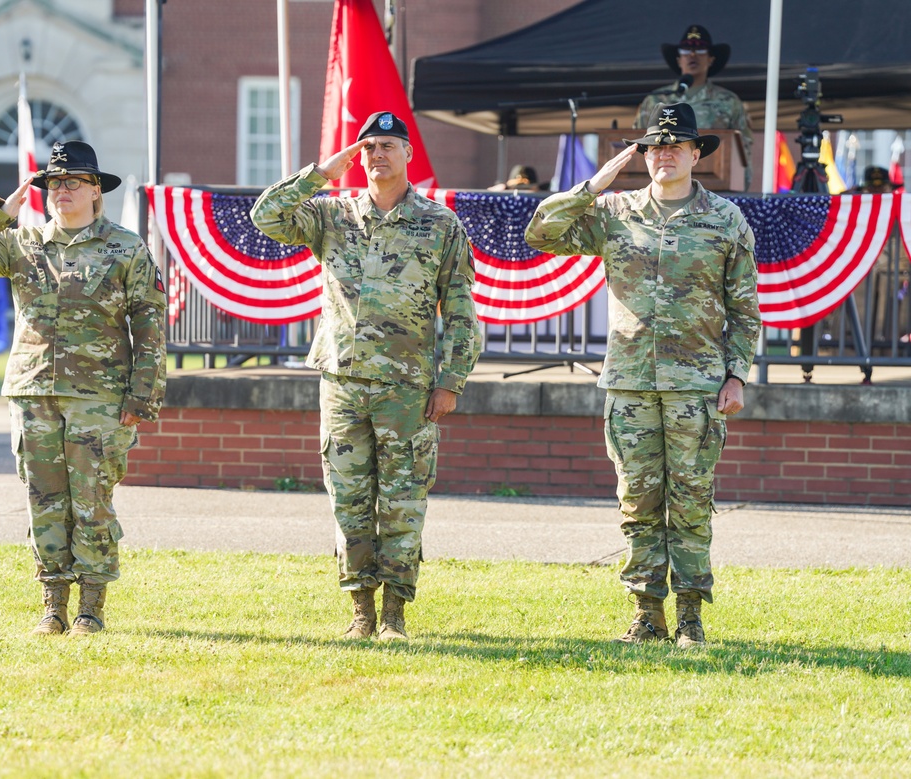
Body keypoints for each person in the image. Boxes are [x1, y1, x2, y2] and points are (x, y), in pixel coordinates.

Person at [525, 103, 761, 649]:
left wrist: (736, 377)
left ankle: (691, 616)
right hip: (629, 384)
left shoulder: (726, 220)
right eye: (656, 146)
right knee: (637, 501)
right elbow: (541, 233)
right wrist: (592, 185)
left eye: (677, 145)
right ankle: (647, 613)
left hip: (697, 387)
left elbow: (745, 310)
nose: (666, 154)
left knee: (691, 501)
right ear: (643, 154)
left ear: (697, 153)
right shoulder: (614, 212)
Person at [251, 111, 481, 641]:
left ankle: (396, 614)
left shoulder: (440, 224)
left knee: (402, 500)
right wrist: (321, 172)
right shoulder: (331, 215)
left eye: (387, 146)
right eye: (368, 146)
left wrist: (452, 381)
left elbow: (463, 308)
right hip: (343, 384)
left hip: (408, 389)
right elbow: (267, 216)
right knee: (349, 500)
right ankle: (361, 612)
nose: (376, 155)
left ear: (408, 155)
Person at [0, 140, 167, 636]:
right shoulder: (22, 243)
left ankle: (91, 606)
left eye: (73, 182)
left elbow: (149, 325)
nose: (61, 190)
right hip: (33, 390)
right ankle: (53, 604)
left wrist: (141, 397)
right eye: (54, 183)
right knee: (44, 500)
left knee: (91, 499)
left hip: (100, 397)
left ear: (94, 191)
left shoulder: (125, 248)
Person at [634, 24, 754, 191]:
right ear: (678, 59)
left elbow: (743, 150)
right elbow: (639, 147)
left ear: (711, 59)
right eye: (686, 50)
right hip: (665, 189)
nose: (692, 55)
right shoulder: (655, 100)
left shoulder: (728, 101)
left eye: (700, 50)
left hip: (715, 191)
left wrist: (742, 189)